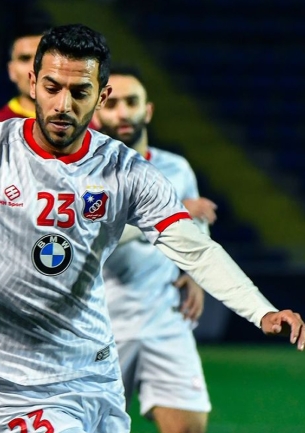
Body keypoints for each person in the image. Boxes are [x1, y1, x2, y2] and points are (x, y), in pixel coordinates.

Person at [0, 24, 305, 433]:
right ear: (33, 84)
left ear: (101, 95)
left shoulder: (126, 171)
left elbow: (194, 248)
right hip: (13, 378)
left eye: (79, 92)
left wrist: (261, 310)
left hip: (94, 371)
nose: (62, 105)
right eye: (52, 87)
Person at [93, 65, 217, 433]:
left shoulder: (176, 169)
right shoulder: (85, 173)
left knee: (189, 426)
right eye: (112, 103)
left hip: (164, 317)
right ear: (96, 113)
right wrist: (171, 212)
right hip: (100, 324)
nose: (123, 112)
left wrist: (194, 273)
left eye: (132, 102)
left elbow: (197, 224)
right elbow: (95, 238)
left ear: (147, 111)